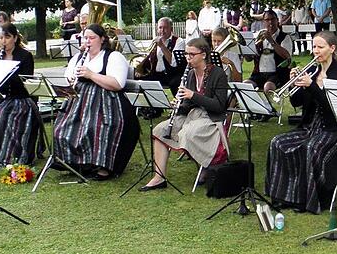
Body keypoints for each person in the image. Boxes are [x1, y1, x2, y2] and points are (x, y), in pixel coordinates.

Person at [266, 31, 337, 213]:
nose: (316, 51)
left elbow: (334, 109)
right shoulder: (312, 71)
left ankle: (306, 200)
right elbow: (296, 102)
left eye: (320, 47)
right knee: (277, 143)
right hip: (310, 126)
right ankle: (283, 195)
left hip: (333, 129)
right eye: (314, 47)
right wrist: (294, 83)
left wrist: (312, 86)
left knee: (311, 148)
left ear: (332, 48)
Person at [140, 37, 230, 191]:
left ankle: (205, 166)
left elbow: (220, 106)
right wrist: (178, 105)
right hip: (192, 115)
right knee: (160, 130)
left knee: (188, 133)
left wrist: (193, 95)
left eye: (191, 54)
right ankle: (158, 177)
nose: (188, 58)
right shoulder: (189, 74)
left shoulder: (218, 74)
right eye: (186, 54)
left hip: (211, 118)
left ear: (203, 54)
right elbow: (188, 105)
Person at [53, 23, 139, 180]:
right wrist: (71, 79)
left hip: (107, 103)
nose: (88, 41)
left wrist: (91, 75)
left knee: (97, 126)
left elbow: (117, 84)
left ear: (102, 39)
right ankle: (76, 162)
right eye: (85, 38)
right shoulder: (78, 58)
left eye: (92, 38)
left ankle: (103, 167)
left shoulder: (113, 56)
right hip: (79, 102)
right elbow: (68, 81)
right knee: (61, 127)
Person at [0, 24, 43, 170]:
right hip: (1, 98)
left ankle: (8, 156)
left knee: (3, 114)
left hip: (20, 99)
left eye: (7, 37)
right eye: (1, 37)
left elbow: (26, 84)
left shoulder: (24, 56)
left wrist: (7, 74)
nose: (3, 41)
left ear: (15, 38)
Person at [246, 10, 292, 93]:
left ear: (277, 20)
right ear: (264, 22)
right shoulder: (259, 36)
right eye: (267, 20)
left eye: (273, 19)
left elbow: (287, 57)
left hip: (277, 74)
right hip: (258, 74)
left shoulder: (285, 37)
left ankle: (268, 106)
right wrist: (246, 50)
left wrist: (271, 41)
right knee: (245, 86)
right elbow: (248, 59)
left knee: (268, 87)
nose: (270, 22)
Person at [139, 17, 186, 95]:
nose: (162, 30)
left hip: (172, 74)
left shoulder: (178, 41)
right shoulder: (156, 41)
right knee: (139, 80)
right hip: (157, 74)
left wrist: (162, 46)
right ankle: (147, 105)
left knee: (174, 83)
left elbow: (173, 62)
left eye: (165, 28)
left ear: (171, 28)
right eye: (160, 28)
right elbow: (150, 58)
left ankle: (178, 105)